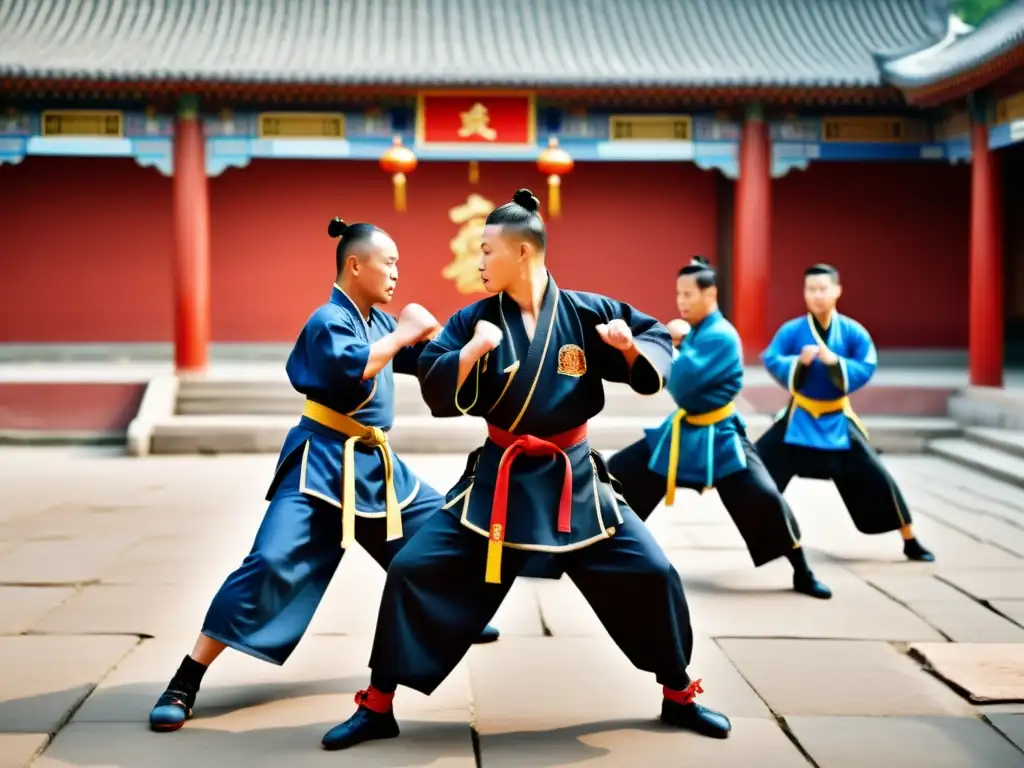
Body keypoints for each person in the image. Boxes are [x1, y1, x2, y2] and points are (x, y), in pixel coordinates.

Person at [320, 189, 731, 751]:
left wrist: (630, 351)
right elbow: (438, 368)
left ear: (523, 253)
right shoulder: (476, 318)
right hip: (498, 486)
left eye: (487, 250)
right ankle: (379, 703)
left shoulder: (588, 312)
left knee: (653, 573)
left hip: (575, 483)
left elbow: (655, 339)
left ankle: (679, 692)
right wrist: (469, 354)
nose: (479, 262)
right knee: (413, 569)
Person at [148, 217, 499, 733]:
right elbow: (351, 368)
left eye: (399, 263)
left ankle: (455, 616)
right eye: (389, 262)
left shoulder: (380, 323)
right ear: (355, 264)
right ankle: (187, 677)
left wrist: (474, 348)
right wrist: (405, 331)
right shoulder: (326, 320)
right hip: (321, 465)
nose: (397, 273)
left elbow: (429, 365)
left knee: (445, 534)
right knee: (268, 563)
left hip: (378, 469)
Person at [607, 258, 832, 599]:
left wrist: (666, 345)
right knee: (617, 474)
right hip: (683, 432)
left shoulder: (722, 335)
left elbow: (683, 384)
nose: (681, 301)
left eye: (688, 294)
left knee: (765, 498)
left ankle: (802, 569)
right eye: (678, 294)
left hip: (720, 433)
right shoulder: (698, 331)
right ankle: (591, 549)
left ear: (710, 293)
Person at [754, 264, 934, 563]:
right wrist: (798, 363)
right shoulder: (792, 330)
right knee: (756, 471)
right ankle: (765, 532)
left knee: (878, 478)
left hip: (837, 419)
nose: (817, 295)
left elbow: (866, 365)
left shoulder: (852, 331)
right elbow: (772, 357)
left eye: (823, 289)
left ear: (837, 290)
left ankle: (910, 539)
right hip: (798, 417)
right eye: (811, 289)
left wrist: (834, 360)